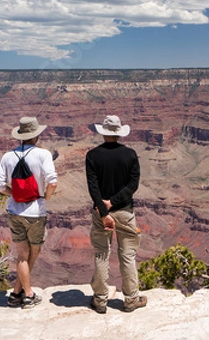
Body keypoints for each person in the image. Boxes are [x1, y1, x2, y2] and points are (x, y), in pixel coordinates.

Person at [0, 117, 57, 309]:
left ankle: (15, 293)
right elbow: (53, 182)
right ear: (36, 134)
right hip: (35, 211)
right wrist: (45, 197)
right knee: (34, 252)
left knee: (22, 254)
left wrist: (12, 193)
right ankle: (28, 295)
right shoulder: (43, 154)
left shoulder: (8, 156)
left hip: (14, 210)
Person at [86, 115, 147, 314]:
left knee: (102, 254)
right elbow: (133, 186)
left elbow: (93, 189)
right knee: (128, 255)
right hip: (125, 212)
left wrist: (105, 211)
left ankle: (100, 300)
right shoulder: (130, 155)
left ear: (103, 132)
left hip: (101, 214)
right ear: (119, 133)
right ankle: (130, 300)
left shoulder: (92, 155)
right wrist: (114, 202)